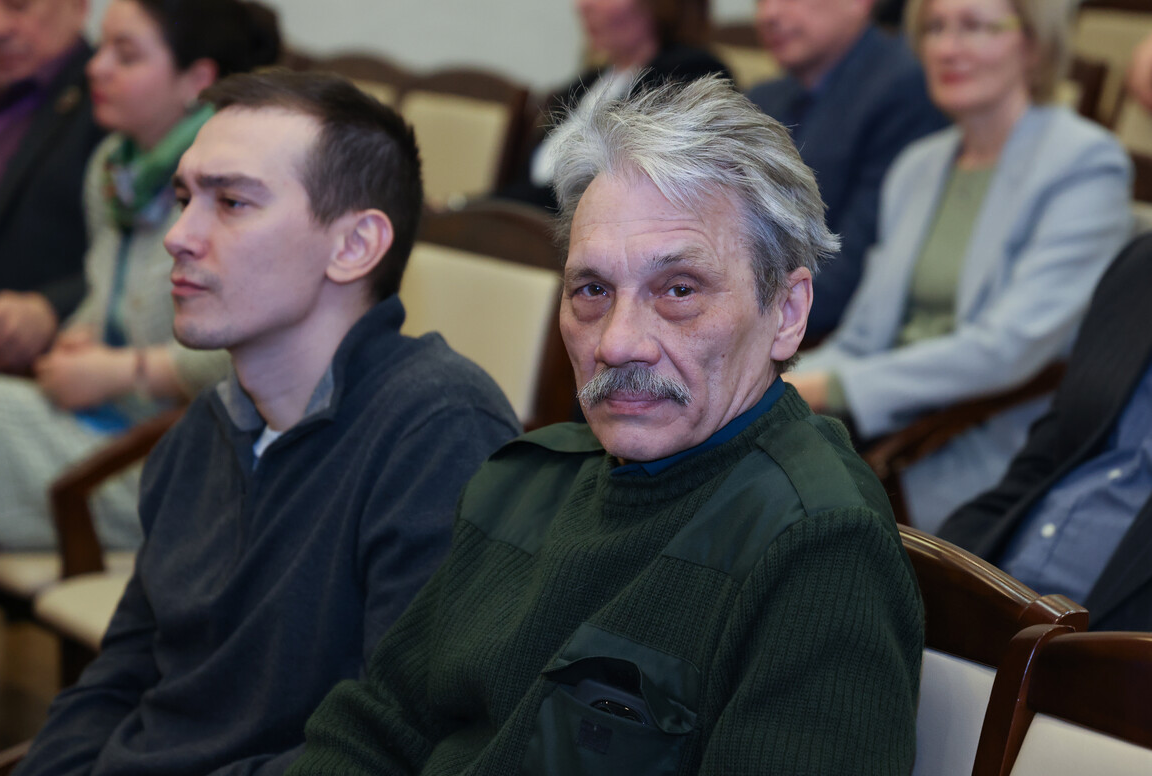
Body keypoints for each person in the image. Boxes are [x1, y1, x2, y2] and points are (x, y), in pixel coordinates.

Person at [288, 76, 924, 776]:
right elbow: (374, 729)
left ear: (787, 312)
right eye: (591, 290)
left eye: (678, 290)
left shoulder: (818, 547)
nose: (617, 343)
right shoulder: (521, 482)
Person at [11, 70, 520, 775]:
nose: (179, 236)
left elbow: (400, 746)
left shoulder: (439, 433)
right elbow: (119, 677)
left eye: (232, 202)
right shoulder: (203, 429)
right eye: (184, 199)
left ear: (354, 246)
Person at [0, 0, 278, 636]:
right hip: (96, 426)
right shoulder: (115, 167)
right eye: (101, 49)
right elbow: (106, 293)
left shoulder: (236, 189)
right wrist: (76, 337)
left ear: (196, 80)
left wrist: (122, 370)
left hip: (175, 456)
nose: (96, 67)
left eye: (125, 55)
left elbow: (257, 361)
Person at [787, 0, 1132, 531]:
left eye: (974, 26)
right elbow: (862, 336)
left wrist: (832, 388)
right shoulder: (918, 165)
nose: (947, 48)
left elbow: (1007, 348)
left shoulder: (1084, 163)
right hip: (878, 424)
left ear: (1032, 42)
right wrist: (770, 381)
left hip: (983, 439)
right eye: (935, 28)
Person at [939, 232, 1152, 633]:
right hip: (1004, 594)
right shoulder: (1140, 267)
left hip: (1112, 644)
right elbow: (1042, 460)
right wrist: (943, 566)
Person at [747, 0, 947, 338]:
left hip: (820, 336)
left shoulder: (904, 87)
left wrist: (733, 327)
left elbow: (851, 272)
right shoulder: (763, 99)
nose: (768, 13)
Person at [0, 0, 104, 371]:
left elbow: (143, 259)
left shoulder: (110, 104)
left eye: (19, 3)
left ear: (78, 3)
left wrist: (51, 307)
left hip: (35, 371)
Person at [498, 0, 730, 211]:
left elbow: (614, 189)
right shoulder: (586, 83)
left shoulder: (688, 75)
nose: (582, 2)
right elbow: (531, 179)